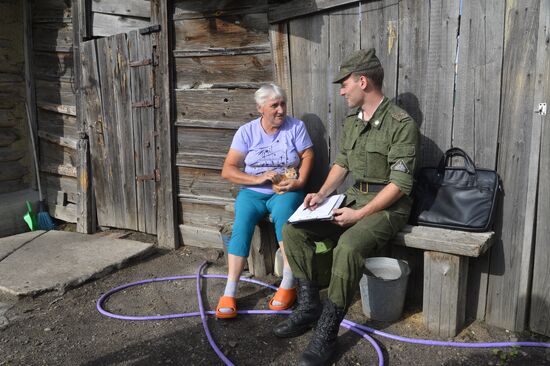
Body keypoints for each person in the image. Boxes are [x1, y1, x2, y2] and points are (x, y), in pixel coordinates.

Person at [272, 49, 420, 365]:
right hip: (352, 198)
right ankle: (309, 306)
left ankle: (327, 331)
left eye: (345, 83)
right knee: (293, 230)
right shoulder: (353, 120)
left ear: (362, 81)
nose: (341, 90)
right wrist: (322, 194)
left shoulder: (400, 124)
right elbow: (342, 162)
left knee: (349, 247)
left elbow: (400, 186)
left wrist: (360, 214)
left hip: (387, 207)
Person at [216, 83, 314, 319]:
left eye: (283, 104)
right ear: (261, 108)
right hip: (252, 192)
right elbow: (228, 170)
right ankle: (230, 291)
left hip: (285, 190)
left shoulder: (296, 127)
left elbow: (308, 154)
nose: (281, 110)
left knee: (284, 220)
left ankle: (288, 285)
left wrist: (299, 183)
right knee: (241, 225)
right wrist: (257, 178)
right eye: (274, 105)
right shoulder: (247, 132)